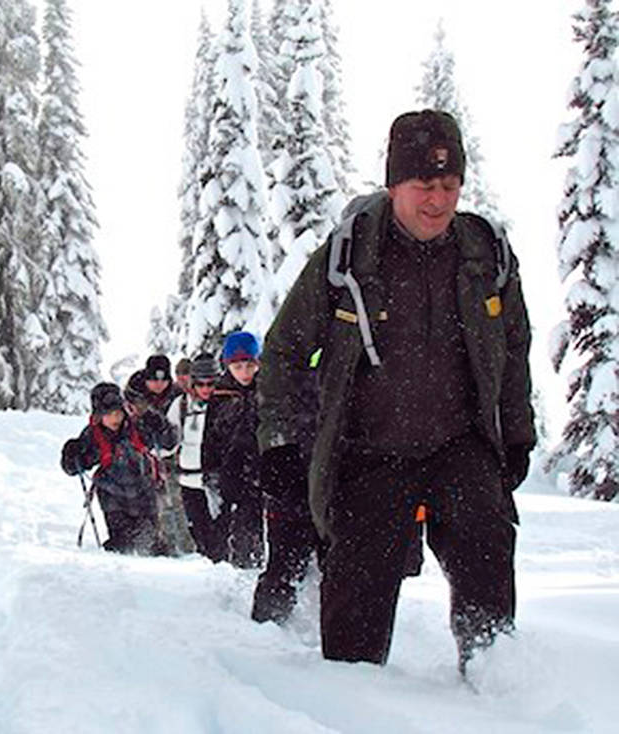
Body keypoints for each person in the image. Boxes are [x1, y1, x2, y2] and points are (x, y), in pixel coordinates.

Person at [256, 109, 536, 674]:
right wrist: (281, 444)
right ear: (393, 184)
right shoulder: (349, 257)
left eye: (450, 185)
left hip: (461, 445)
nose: (438, 200)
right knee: (355, 604)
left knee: (487, 554)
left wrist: (518, 434)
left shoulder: (486, 257)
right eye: (424, 186)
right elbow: (284, 351)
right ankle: (350, 704)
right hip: (370, 452)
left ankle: (497, 689)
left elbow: (513, 350)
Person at [61, 382, 178, 555]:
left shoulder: (137, 426)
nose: (115, 418)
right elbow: (73, 468)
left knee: (151, 541)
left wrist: (160, 425)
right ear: (98, 415)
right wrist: (71, 456)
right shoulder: (92, 436)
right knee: (123, 541)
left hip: (144, 492)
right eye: (108, 414)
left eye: (118, 413)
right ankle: (120, 567)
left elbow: (169, 442)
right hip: (112, 497)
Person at [251, 364, 324, 625]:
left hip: (334, 480)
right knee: (284, 563)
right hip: (290, 480)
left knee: (341, 568)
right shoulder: (276, 380)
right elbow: (256, 427)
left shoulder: (345, 371)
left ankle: (339, 638)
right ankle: (267, 629)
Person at [202, 331, 264, 569]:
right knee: (239, 532)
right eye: (238, 366)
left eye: (250, 365)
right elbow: (210, 441)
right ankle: (241, 576)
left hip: (266, 472)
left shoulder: (267, 389)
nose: (245, 372)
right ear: (228, 366)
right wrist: (211, 476)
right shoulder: (220, 396)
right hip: (233, 476)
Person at [124, 355, 193, 555]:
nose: (159, 385)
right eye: (154, 380)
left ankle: (183, 547)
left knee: (174, 503)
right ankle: (152, 545)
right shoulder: (133, 397)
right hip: (139, 458)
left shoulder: (177, 396)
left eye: (163, 380)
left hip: (171, 458)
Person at [166, 352, 223, 560]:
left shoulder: (227, 403)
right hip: (189, 482)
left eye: (211, 383)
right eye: (201, 384)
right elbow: (167, 447)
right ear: (193, 383)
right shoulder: (180, 406)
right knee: (200, 536)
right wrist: (161, 434)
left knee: (221, 538)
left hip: (218, 482)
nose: (206, 389)